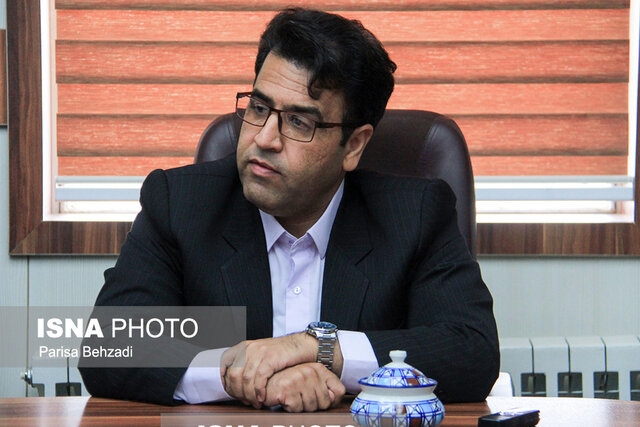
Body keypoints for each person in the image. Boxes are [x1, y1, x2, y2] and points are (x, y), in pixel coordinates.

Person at [79, 7, 499, 411]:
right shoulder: (180, 203)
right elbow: (110, 346)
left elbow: (471, 351)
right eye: (259, 108)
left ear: (353, 146)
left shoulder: (415, 215)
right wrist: (239, 374)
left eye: (299, 122)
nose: (264, 138)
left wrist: (319, 349)